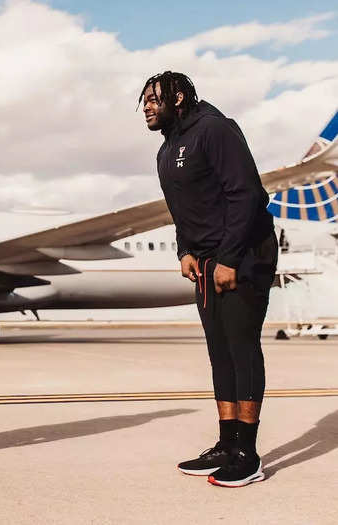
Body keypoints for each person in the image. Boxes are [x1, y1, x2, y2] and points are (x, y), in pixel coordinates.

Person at [139, 71, 277, 487]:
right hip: (205, 260)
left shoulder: (215, 130)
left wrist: (230, 258)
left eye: (153, 98)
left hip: (244, 253)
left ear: (178, 97)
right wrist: (184, 250)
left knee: (240, 347)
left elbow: (246, 194)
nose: (145, 106)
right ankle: (227, 443)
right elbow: (183, 210)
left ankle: (248, 455)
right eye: (142, 100)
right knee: (219, 350)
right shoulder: (167, 150)